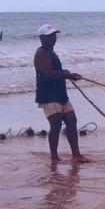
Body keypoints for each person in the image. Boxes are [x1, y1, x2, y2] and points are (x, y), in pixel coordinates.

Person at [34, 24, 90, 163]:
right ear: (41, 38)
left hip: (60, 93)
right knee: (56, 124)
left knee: (72, 120)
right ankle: (54, 157)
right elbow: (48, 74)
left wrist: (68, 74)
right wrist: (67, 75)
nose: (53, 38)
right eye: (49, 36)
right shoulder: (41, 54)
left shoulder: (52, 52)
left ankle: (76, 155)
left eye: (54, 35)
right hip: (48, 95)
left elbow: (56, 71)